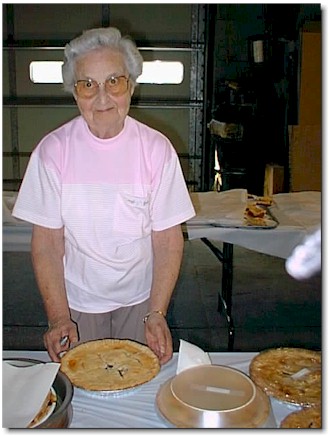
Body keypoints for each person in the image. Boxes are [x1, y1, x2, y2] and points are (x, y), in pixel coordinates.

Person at [12, 27, 195, 365]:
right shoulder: (52, 152)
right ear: (74, 92)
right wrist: (58, 317)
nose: (102, 98)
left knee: (140, 384)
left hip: (141, 301)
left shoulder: (156, 150)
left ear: (132, 85)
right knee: (83, 389)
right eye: (88, 85)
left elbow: (168, 239)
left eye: (114, 81)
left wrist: (157, 311)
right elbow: (47, 244)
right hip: (77, 304)